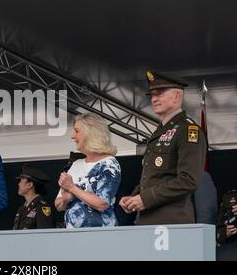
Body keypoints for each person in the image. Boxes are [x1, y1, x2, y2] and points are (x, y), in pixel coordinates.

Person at [119, 71, 207, 225]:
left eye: (160, 93)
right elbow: (156, 177)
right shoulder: (160, 131)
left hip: (172, 221)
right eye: (152, 95)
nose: (154, 99)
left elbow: (188, 180)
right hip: (148, 219)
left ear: (177, 96)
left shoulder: (188, 130)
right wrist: (135, 197)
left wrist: (145, 199)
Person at [54, 112, 121, 228]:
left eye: (77, 131)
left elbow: (102, 204)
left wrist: (72, 188)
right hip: (72, 237)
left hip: (99, 235)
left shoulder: (109, 163)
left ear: (91, 134)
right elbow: (58, 205)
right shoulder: (76, 164)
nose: (73, 136)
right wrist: (65, 200)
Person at [13, 165, 54, 230]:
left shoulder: (41, 207)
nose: (18, 184)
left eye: (21, 181)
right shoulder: (21, 209)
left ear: (30, 185)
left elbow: (45, 236)